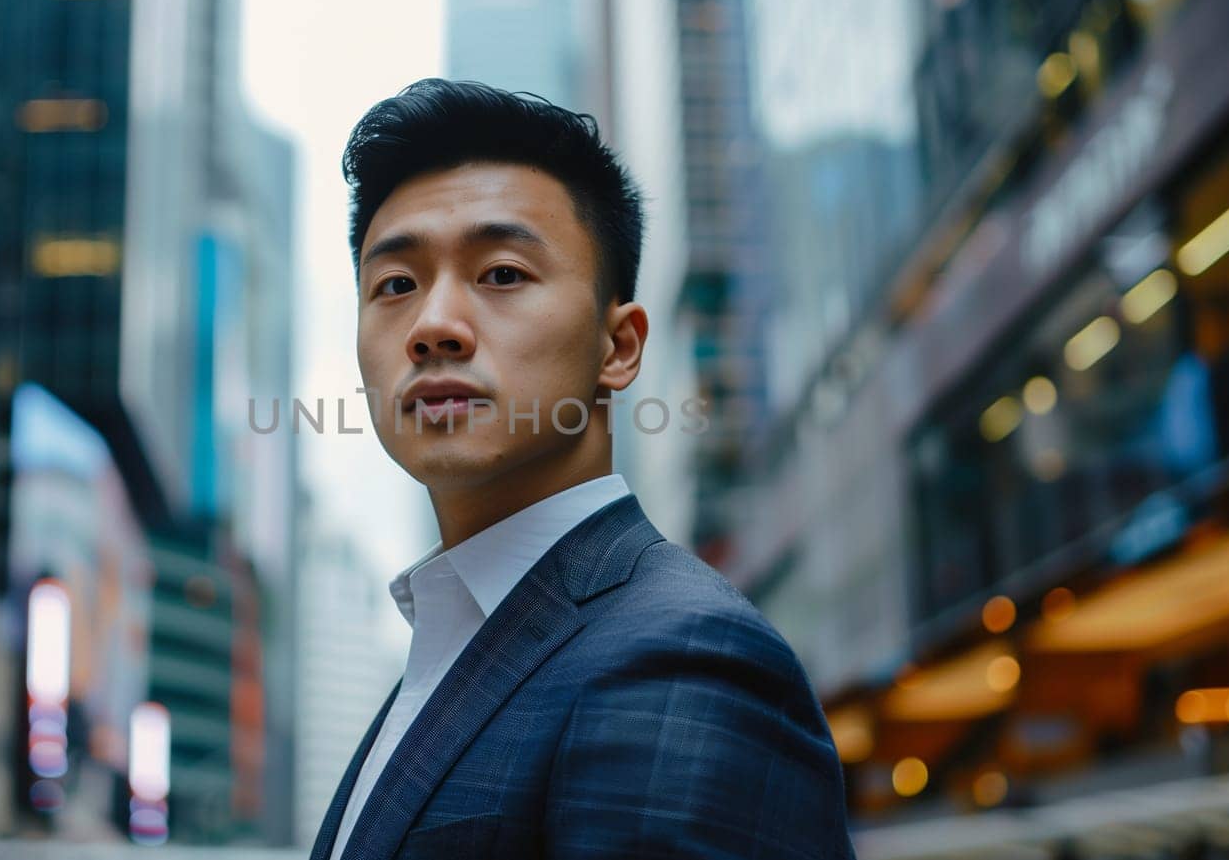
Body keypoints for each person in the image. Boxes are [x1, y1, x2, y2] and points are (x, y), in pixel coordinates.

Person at [311, 78, 855, 860]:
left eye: (501, 273)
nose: (432, 326)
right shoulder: (446, 645)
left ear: (619, 346)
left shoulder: (684, 657)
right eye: (395, 284)